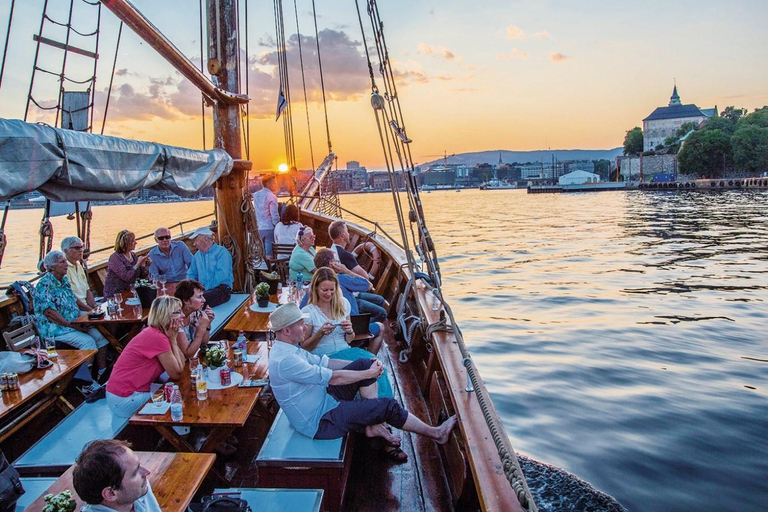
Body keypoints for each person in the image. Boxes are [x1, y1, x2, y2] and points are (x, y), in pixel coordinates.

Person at [268, 302, 457, 463]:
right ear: (286, 330)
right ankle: (436, 434)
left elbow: (326, 363)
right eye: (301, 324)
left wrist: (365, 367)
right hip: (320, 421)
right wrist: (368, 373)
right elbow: (334, 377)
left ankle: (373, 424)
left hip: (323, 399)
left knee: (364, 363)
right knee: (388, 406)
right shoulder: (286, 360)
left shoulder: (290, 349)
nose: (305, 327)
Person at [300, 267, 391, 397]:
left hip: (346, 349)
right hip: (323, 356)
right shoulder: (309, 311)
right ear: (315, 288)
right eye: (324, 290)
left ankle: (381, 406)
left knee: (377, 365)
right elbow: (305, 347)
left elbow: (349, 339)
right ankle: (373, 406)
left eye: (332, 290)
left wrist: (349, 331)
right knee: (369, 369)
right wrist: (320, 333)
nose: (329, 294)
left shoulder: (343, 304)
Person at [33, 250, 108, 389]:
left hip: (73, 323)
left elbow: (74, 300)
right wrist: (73, 326)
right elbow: (50, 313)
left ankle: (102, 373)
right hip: (56, 329)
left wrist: (92, 310)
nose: (66, 264)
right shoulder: (44, 285)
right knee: (88, 342)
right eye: (62, 262)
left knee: (100, 337)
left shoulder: (64, 279)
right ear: (51, 267)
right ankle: (85, 383)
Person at [105, 295, 186, 418]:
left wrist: (173, 339)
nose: (183, 315)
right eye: (178, 312)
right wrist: (173, 341)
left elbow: (182, 364)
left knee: (178, 392)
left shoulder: (160, 333)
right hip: (125, 398)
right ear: (166, 315)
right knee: (177, 402)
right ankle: (181, 434)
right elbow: (176, 373)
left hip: (129, 393)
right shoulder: (157, 337)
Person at [302, 250, 384, 347]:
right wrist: (346, 271)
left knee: (376, 301)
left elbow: (301, 313)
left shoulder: (314, 285)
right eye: (337, 262)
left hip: (335, 333)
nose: (329, 294)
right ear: (331, 264)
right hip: (349, 329)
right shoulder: (340, 278)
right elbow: (369, 285)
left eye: (332, 290)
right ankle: (365, 344)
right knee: (381, 319)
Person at [72, 439, 161, 512]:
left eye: (139, 466)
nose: (146, 472)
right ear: (111, 493)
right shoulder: (137, 490)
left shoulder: (137, 490)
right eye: (134, 473)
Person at [186, 226, 233, 307]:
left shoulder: (222, 253)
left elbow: (221, 276)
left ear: (205, 239)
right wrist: (190, 288)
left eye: (196, 240)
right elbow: (191, 274)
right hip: (202, 290)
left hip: (222, 289)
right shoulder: (197, 256)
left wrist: (203, 289)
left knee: (198, 301)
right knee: (185, 299)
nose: (194, 244)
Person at [174, 279, 215, 358]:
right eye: (199, 297)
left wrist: (207, 324)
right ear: (186, 300)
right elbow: (188, 354)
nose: (204, 300)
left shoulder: (195, 314)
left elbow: (203, 343)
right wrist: (200, 331)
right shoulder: (176, 319)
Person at [103, 230, 150, 298]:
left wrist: (147, 266)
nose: (135, 242)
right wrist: (137, 264)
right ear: (125, 243)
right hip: (116, 295)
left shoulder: (133, 255)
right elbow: (126, 277)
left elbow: (143, 275)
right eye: (132, 241)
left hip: (130, 291)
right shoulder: (115, 258)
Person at [61, 236, 97, 312]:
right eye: (77, 248)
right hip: (75, 309)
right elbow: (72, 298)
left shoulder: (78, 265)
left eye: (82, 247)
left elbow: (87, 290)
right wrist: (91, 311)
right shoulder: (63, 270)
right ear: (66, 251)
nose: (81, 250)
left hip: (86, 307)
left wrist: (95, 307)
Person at [252, 174, 280, 256]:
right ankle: (269, 268)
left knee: (260, 253)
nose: (276, 185)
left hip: (258, 228)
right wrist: (277, 226)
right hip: (269, 228)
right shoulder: (272, 197)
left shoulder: (256, 195)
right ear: (268, 184)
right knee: (269, 254)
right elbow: (274, 215)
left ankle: (261, 268)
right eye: (274, 183)